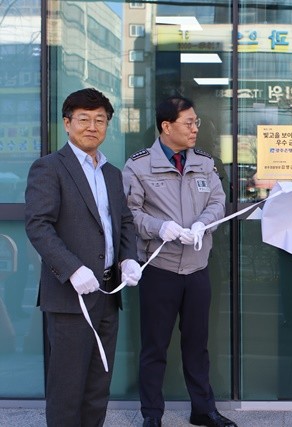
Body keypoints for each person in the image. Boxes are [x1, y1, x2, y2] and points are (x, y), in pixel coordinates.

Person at [24, 88, 142, 426]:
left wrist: (128, 258)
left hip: (106, 294)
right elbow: (38, 225)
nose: (92, 127)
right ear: (67, 123)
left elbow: (124, 222)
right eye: (84, 119)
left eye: (100, 120)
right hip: (69, 296)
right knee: (66, 388)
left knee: (97, 385)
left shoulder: (112, 173)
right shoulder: (49, 168)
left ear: (107, 126)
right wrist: (72, 268)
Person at [123, 96, 236, 427]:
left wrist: (203, 223)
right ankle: (152, 415)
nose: (195, 128)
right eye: (188, 123)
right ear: (166, 126)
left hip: (198, 268)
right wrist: (160, 227)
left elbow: (217, 201)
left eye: (196, 122)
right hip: (160, 270)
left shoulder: (204, 162)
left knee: (197, 345)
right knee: (155, 347)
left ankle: (203, 410)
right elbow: (129, 214)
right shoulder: (139, 166)